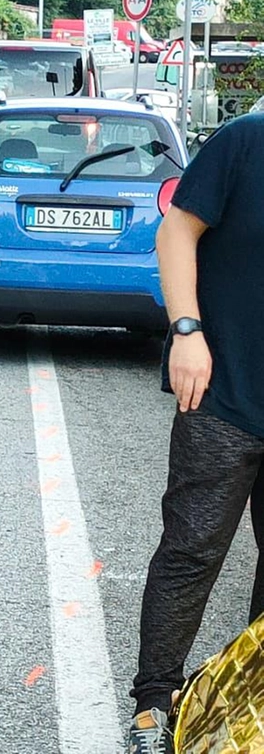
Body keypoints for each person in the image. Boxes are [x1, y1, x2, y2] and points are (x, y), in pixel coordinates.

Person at [124, 113, 264, 753]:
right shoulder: (245, 140)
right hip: (220, 388)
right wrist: (186, 332)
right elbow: (176, 229)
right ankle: (154, 704)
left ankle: (250, 705)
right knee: (193, 550)